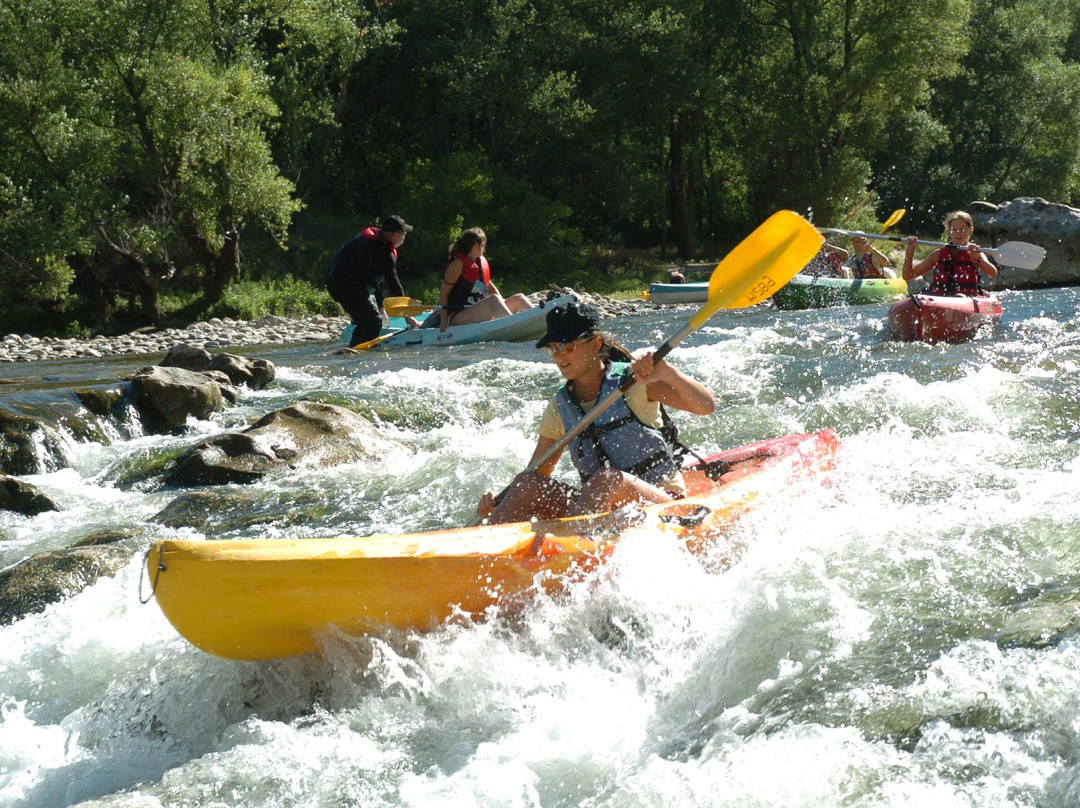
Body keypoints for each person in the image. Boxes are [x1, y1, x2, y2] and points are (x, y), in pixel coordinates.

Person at [477, 302, 716, 525]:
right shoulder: (560, 407)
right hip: (599, 511)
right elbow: (536, 472)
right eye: (552, 348)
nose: (559, 356)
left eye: (567, 346)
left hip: (661, 501)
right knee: (525, 484)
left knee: (607, 479)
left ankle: (577, 548)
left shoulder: (633, 382)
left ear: (596, 343)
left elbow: (706, 406)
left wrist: (668, 373)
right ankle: (485, 552)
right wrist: (499, 501)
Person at [327, 215, 418, 346]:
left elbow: (376, 279)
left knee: (365, 321)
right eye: (404, 234)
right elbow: (393, 282)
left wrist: (381, 306)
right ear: (397, 235)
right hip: (347, 287)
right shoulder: (384, 252)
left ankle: (353, 350)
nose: (405, 238)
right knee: (373, 321)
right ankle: (361, 354)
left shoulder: (374, 244)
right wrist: (406, 314)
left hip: (337, 284)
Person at [438, 227, 533, 331]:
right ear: (475, 246)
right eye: (482, 245)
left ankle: (542, 322)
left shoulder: (478, 264)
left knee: (519, 298)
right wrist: (443, 320)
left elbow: (490, 288)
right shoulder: (457, 264)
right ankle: (516, 328)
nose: (484, 248)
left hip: (477, 312)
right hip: (458, 317)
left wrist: (503, 303)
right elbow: (443, 293)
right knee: (493, 300)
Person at [903, 210, 998, 296]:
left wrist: (978, 259)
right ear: (949, 232)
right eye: (954, 229)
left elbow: (993, 274)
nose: (958, 233)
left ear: (970, 230)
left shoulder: (975, 253)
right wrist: (909, 253)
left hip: (965, 299)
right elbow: (908, 276)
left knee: (959, 297)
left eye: (962, 229)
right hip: (939, 299)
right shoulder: (938, 254)